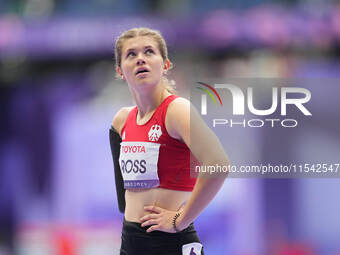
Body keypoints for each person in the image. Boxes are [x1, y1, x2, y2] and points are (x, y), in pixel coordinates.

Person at [110, 27, 229, 255]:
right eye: (131, 54)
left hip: (170, 242)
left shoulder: (176, 110)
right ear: (120, 71)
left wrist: (180, 220)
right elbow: (123, 196)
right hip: (131, 242)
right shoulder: (121, 121)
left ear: (165, 64)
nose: (140, 59)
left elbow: (219, 165)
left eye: (149, 52)